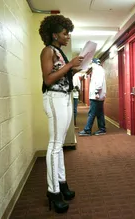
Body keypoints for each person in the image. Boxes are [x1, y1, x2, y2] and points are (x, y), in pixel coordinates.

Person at [39, 14, 83, 213]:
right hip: (54, 98)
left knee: (60, 143)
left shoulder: (59, 51)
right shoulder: (48, 51)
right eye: (66, 34)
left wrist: (74, 69)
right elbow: (48, 79)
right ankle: (53, 191)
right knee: (55, 145)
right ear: (55, 35)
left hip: (64, 97)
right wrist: (69, 65)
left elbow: (63, 74)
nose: (68, 37)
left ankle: (61, 183)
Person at [79, 58, 107, 136]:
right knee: (100, 113)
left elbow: (99, 82)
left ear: (93, 63)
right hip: (99, 95)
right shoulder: (100, 69)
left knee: (91, 113)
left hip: (96, 95)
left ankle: (87, 130)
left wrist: (96, 92)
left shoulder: (97, 70)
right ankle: (102, 129)